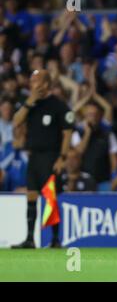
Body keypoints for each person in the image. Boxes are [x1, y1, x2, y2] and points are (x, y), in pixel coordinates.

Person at [11, 69, 74, 248]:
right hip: (34, 157)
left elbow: (67, 133)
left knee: (50, 198)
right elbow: (16, 121)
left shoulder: (58, 106)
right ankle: (30, 239)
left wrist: (62, 157)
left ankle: (55, 240)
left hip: (51, 157)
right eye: (31, 80)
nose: (32, 84)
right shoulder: (30, 105)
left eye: (36, 81)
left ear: (46, 84)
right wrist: (30, 101)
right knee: (31, 196)